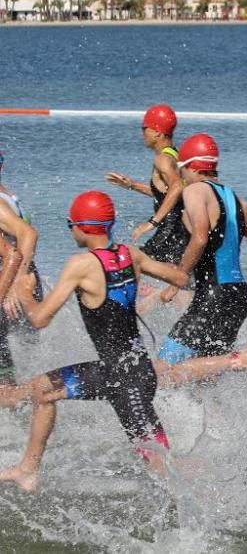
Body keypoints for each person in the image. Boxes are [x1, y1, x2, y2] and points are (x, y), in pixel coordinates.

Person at [0, 191, 189, 492]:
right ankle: (27, 469)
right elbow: (180, 278)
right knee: (42, 388)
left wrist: (23, 291)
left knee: (164, 467)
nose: (69, 229)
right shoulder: (130, 254)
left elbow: (39, 319)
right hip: (134, 371)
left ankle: (216, 497)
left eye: (70, 224)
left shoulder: (81, 265)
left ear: (83, 228)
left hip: (121, 378)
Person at [156, 133, 247, 388]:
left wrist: (176, 282)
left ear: (190, 166)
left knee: (160, 373)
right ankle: (217, 424)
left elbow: (199, 237)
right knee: (205, 378)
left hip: (213, 294)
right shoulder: (238, 201)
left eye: (182, 170)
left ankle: (243, 359)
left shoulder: (196, 190)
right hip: (238, 297)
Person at [105, 104, 189, 265]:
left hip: (169, 232)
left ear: (157, 132)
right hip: (179, 231)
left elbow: (176, 187)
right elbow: (168, 193)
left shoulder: (162, 159)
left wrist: (152, 222)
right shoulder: (174, 155)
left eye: (145, 128)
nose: (142, 132)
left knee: (126, 265)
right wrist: (132, 185)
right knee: (178, 279)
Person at [0, 151, 40, 389]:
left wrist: (16, 284)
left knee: (5, 383)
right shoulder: (7, 194)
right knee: (13, 371)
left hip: (12, 285)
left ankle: (39, 398)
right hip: (24, 284)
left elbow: (27, 235)